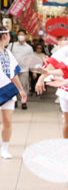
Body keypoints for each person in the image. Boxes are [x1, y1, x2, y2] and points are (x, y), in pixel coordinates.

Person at [0, 28, 26, 158]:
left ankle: (4, 149)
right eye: (8, 35)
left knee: (7, 121)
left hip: (9, 91)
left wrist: (21, 90)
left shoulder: (8, 53)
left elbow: (13, 73)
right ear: (4, 36)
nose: (9, 37)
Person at [10, 28, 34, 106]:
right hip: (13, 70)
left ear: (26, 36)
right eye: (19, 35)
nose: (21, 36)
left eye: (22, 35)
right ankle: (15, 101)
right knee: (14, 85)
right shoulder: (12, 45)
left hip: (24, 70)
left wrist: (33, 71)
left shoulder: (29, 48)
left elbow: (31, 59)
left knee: (23, 85)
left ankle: (24, 102)